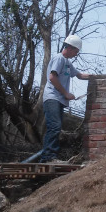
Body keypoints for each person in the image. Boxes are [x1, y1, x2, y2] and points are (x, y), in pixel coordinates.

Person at [40, 34, 91, 163]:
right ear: (69, 47)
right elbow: (52, 77)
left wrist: (98, 77)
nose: (76, 54)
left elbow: (79, 75)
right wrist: (66, 93)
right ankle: (48, 158)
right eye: (76, 51)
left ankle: (47, 157)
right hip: (52, 98)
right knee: (55, 126)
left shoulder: (67, 63)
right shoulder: (59, 58)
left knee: (55, 127)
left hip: (59, 99)